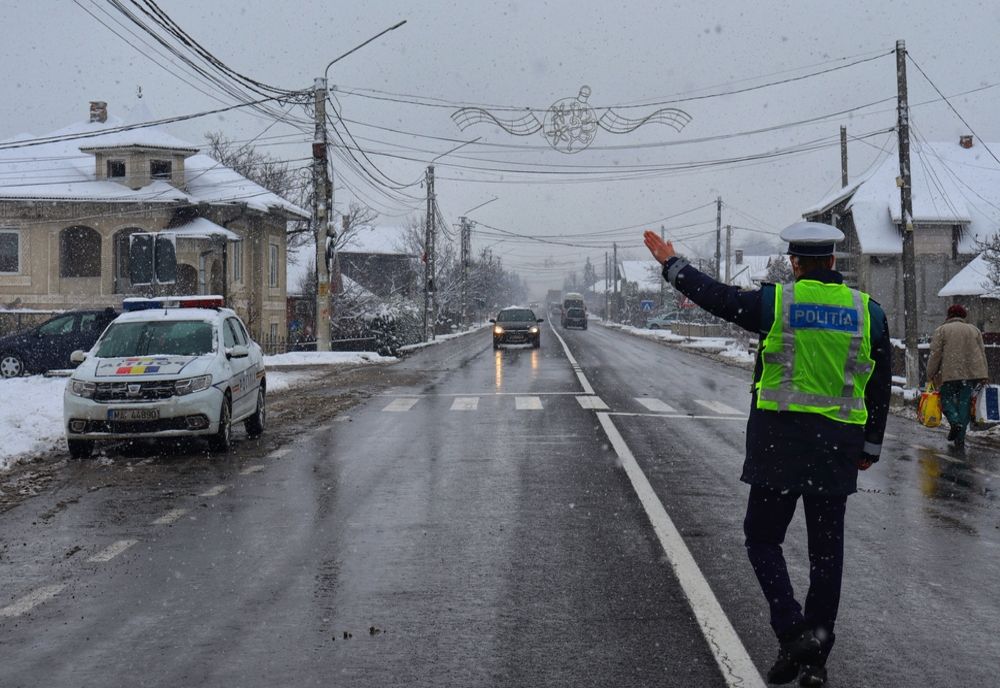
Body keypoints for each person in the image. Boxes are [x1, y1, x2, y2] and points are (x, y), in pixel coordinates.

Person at [643, 222, 892, 687]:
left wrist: (672, 265)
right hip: (836, 450)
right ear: (834, 263)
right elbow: (879, 387)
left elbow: (715, 297)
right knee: (826, 557)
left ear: (795, 264)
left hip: (779, 446)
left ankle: (791, 630)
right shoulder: (869, 312)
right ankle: (814, 656)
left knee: (762, 540)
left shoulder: (778, 303)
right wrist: (870, 447)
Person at [925, 303, 989, 448]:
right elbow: (982, 353)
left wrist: (930, 373)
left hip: (949, 374)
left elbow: (935, 355)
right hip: (970, 375)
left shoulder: (942, 330)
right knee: (964, 404)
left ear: (949, 316)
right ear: (963, 316)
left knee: (946, 399)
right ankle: (960, 438)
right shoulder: (974, 330)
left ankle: (955, 422)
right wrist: (984, 374)